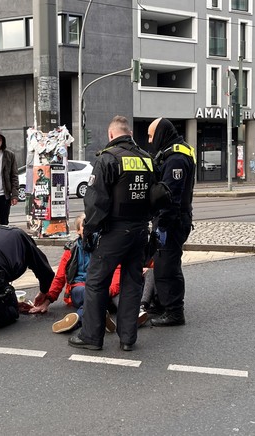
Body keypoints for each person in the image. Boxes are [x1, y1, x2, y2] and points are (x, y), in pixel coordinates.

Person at [68, 115, 155, 352]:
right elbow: (155, 196)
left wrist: (89, 233)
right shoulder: (147, 159)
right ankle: (128, 339)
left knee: (96, 282)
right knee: (132, 283)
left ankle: (91, 337)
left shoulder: (108, 159)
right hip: (139, 232)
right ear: (129, 133)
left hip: (115, 231)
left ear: (110, 135)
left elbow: (97, 202)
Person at [30, 214, 120, 334]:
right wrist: (47, 301)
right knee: (90, 294)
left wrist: (110, 290)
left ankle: (76, 321)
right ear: (78, 231)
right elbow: (60, 277)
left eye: (93, 226)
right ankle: (100, 314)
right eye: (85, 225)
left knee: (95, 296)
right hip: (79, 289)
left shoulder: (105, 247)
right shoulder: (71, 250)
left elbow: (117, 271)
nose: (90, 229)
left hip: (103, 289)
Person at [147, 117, 196, 327]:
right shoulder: (172, 153)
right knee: (161, 263)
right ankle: (160, 304)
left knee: (168, 265)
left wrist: (163, 225)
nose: (149, 141)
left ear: (160, 134)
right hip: (172, 219)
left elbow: (170, 196)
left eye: (151, 136)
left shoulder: (176, 158)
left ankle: (175, 312)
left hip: (173, 220)